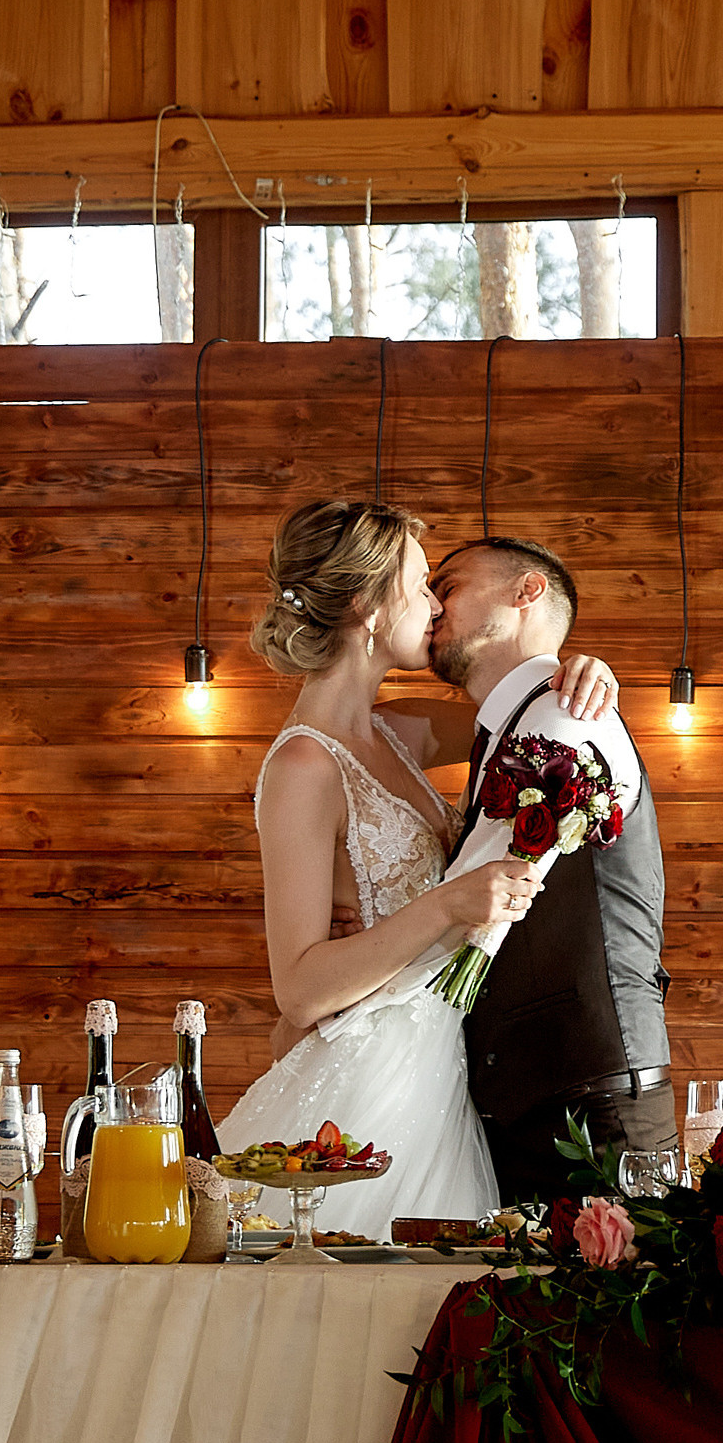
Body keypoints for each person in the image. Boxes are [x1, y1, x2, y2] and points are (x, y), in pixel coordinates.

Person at [216, 499, 618, 1239]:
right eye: (421, 584)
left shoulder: (401, 731)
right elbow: (299, 990)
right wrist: (443, 906)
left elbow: (529, 713)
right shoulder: (304, 765)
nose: (435, 605)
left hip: (440, 1064)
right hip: (370, 1081)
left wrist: (582, 668)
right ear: (368, 608)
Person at [426, 535, 674, 1203]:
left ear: (526, 591)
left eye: (448, 586)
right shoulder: (506, 724)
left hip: (587, 1091)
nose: (432, 605)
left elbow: (469, 901)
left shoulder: (564, 715)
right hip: (529, 1089)